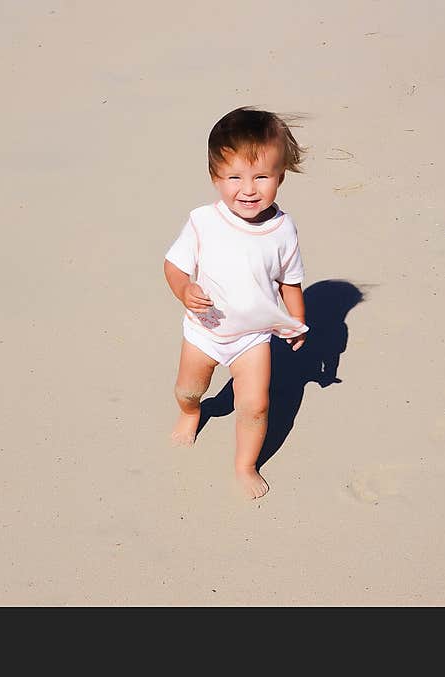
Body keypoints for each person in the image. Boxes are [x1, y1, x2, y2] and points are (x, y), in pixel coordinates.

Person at [163, 106, 309, 499]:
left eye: (262, 177)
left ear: (280, 177)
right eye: (235, 177)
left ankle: (245, 465)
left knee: (255, 406)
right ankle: (192, 413)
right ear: (215, 177)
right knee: (189, 389)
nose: (249, 189)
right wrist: (183, 290)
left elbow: (289, 279)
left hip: (253, 338)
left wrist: (297, 318)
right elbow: (174, 266)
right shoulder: (203, 222)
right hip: (205, 329)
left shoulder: (284, 229)